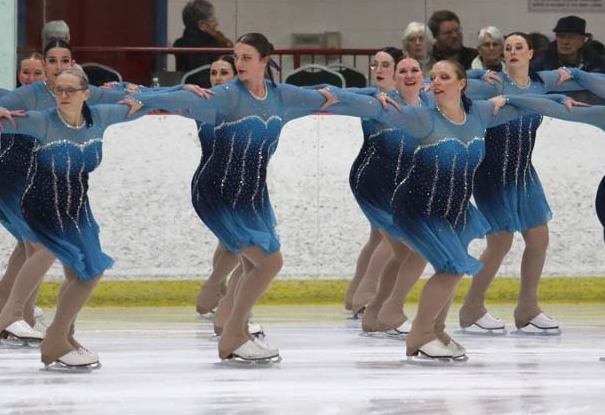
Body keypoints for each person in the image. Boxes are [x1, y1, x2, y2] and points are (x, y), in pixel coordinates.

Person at [125, 33, 370, 363]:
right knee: (270, 262)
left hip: (252, 194)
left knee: (255, 263)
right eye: (236, 57)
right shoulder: (227, 95)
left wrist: (378, 101)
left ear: (265, 62)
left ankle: (228, 323)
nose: (239, 64)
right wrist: (133, 95)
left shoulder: (281, 96)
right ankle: (233, 335)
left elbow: (327, 98)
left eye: (246, 57)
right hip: (218, 190)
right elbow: (169, 98)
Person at [0, 67, 188, 370]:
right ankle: (47, 333)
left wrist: (171, 95)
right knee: (78, 266)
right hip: (43, 206)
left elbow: (140, 103)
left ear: (85, 94)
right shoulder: (41, 122)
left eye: (70, 90)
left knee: (86, 273)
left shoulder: (100, 117)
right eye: (58, 90)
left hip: (77, 208)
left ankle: (63, 337)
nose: (62, 95)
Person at [327, 59, 552, 360]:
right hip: (421, 205)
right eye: (433, 78)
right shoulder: (423, 118)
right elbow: (372, 109)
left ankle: (435, 328)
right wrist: (349, 96)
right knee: (451, 267)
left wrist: (519, 98)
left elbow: (528, 107)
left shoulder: (478, 114)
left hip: (455, 207)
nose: (436, 82)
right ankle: (420, 334)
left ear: (461, 84)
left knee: (455, 267)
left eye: (444, 77)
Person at [0, 41, 135, 346]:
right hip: (13, 180)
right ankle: (17, 317)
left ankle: (8, 304)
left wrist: (147, 91)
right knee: (41, 245)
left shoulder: (77, 96)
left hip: (37, 181)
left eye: (62, 62)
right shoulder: (26, 96)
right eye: (45, 64)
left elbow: (128, 96)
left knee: (30, 247)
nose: (52, 69)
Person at [456, 32, 600, 334]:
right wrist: (481, 71)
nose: (512, 52)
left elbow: (577, 76)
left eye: (518, 47)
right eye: (507, 48)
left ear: (531, 53)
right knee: (501, 242)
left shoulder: (540, 83)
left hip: (524, 173)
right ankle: (471, 308)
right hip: (491, 173)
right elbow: (457, 78)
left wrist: (571, 75)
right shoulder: (490, 83)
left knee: (538, 238)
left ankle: (527, 308)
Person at [349, 52, 433, 337]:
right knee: (415, 248)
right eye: (402, 71)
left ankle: (374, 313)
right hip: (374, 184)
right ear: (396, 78)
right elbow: (333, 94)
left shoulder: (429, 102)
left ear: (423, 76)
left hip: (401, 185)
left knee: (402, 251)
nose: (408, 75)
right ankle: (389, 310)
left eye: (414, 70)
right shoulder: (376, 102)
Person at [343, 47, 404, 318]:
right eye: (375, 65)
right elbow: (332, 91)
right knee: (395, 237)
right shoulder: (371, 97)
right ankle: (366, 295)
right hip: (376, 175)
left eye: (385, 65)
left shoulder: (408, 97)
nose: (378, 70)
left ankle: (354, 294)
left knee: (378, 236)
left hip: (383, 174)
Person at [194, 55, 243, 318]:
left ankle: (220, 295)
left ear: (236, 76)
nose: (217, 78)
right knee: (240, 243)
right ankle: (212, 290)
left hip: (237, 182)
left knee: (227, 243)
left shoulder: (243, 105)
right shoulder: (204, 106)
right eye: (214, 73)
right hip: (214, 183)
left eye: (224, 72)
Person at [532, 16, 605, 104]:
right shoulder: (541, 64)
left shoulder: (599, 63)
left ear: (582, 39)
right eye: (561, 36)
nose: (565, 41)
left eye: (571, 37)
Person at [172, 0, 233, 78]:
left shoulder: (179, 45)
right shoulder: (215, 46)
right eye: (213, 20)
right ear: (202, 25)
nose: (217, 23)